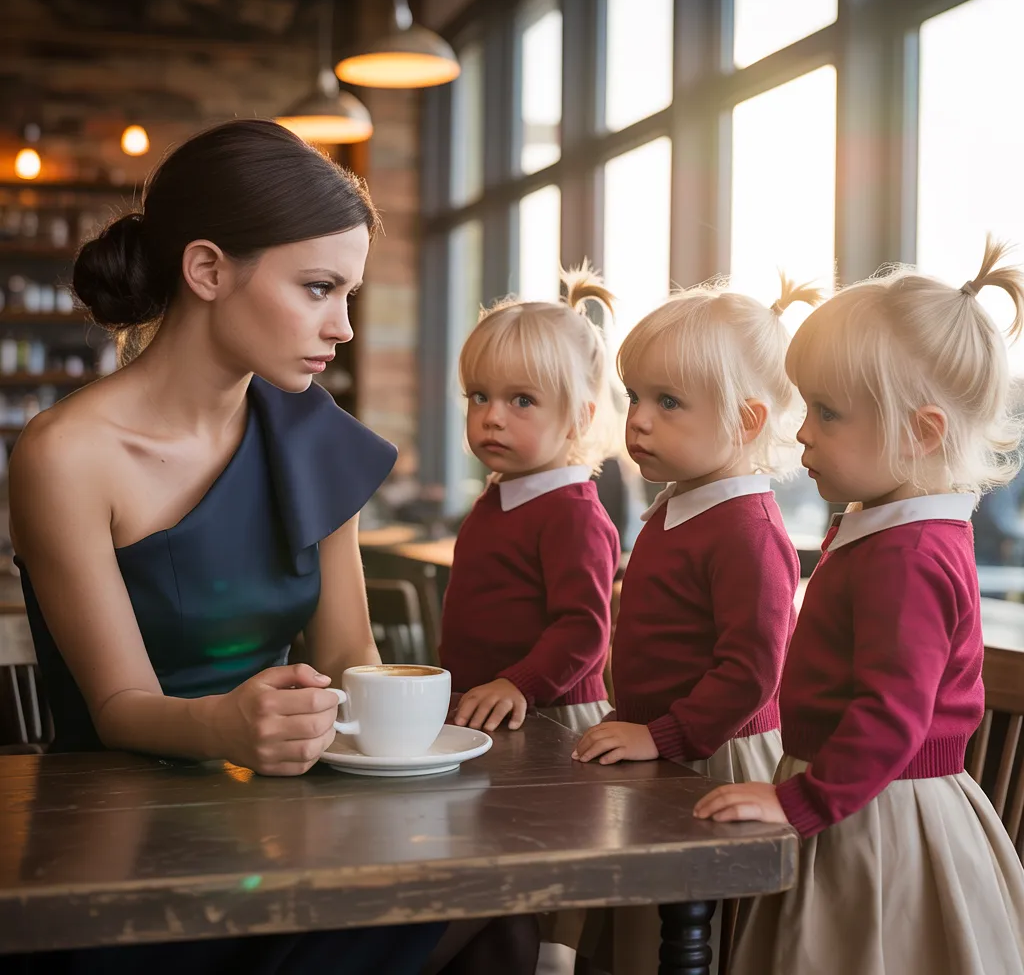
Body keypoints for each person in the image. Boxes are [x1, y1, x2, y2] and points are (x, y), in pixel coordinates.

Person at [7, 119, 533, 975]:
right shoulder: (66, 455)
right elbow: (119, 707)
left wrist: (414, 721)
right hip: (116, 845)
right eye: (320, 288)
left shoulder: (314, 434)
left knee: (499, 901)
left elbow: (348, 655)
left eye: (349, 294)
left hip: (288, 819)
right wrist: (224, 724)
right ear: (208, 270)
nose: (344, 327)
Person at [695, 238, 1024, 975]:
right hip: (858, 793)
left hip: (875, 813)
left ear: (922, 432)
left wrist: (802, 803)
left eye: (827, 412)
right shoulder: (893, 532)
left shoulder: (907, 555)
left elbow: (891, 711)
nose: (802, 431)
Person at [572, 276, 815, 975]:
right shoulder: (681, 507)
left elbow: (750, 673)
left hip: (715, 757)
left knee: (690, 943)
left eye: (668, 402)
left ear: (746, 421)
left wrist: (661, 735)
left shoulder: (747, 530)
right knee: (633, 936)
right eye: (636, 397)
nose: (638, 421)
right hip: (659, 747)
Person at [441, 265, 620, 738]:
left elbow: (584, 629)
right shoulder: (499, 498)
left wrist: (518, 683)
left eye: (521, 400)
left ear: (579, 418)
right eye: (480, 396)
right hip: (487, 710)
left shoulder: (572, 513)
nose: (492, 417)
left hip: (550, 715)